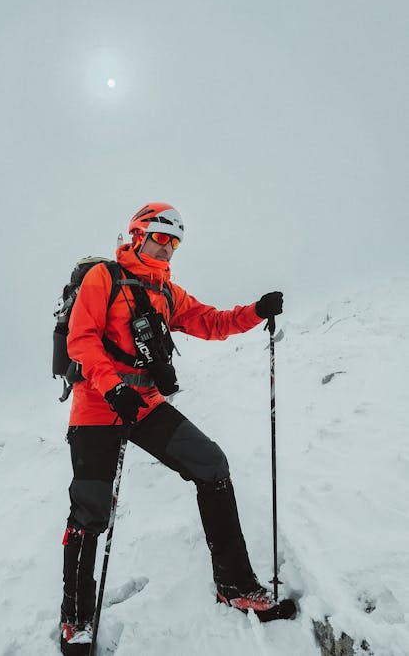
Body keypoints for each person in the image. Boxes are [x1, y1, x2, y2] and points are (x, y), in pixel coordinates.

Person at [59, 203, 292, 654]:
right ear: (137, 234)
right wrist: (111, 388)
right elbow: (81, 339)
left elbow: (210, 321)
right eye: (160, 238)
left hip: (144, 405)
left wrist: (256, 311)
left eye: (175, 242)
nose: (168, 248)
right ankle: (76, 621)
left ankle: (235, 586)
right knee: (90, 514)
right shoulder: (103, 278)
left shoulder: (166, 291)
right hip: (96, 406)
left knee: (211, 464)